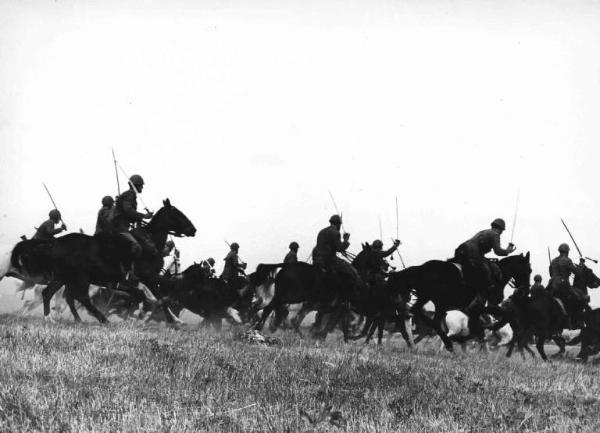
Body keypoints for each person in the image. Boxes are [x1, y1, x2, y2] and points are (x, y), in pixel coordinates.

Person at [454, 218, 516, 302]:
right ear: (500, 228)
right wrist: (507, 251)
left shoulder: (484, 231)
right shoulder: (495, 234)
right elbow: (498, 251)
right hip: (473, 253)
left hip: (462, 250)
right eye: (502, 230)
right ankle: (484, 291)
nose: (501, 232)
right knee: (490, 270)